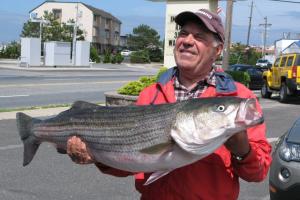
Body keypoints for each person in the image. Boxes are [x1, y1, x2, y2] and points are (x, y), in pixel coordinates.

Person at [66, 9, 272, 200]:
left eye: (199, 36)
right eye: (183, 34)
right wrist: (97, 156)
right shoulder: (151, 95)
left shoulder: (238, 97)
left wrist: (243, 151)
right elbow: (131, 163)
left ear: (217, 50)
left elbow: (258, 172)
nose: (187, 41)